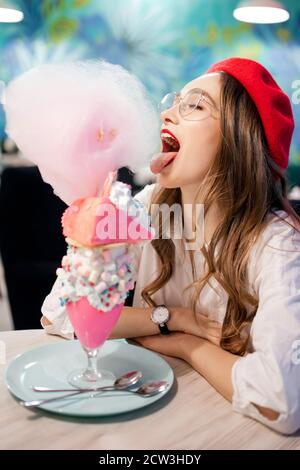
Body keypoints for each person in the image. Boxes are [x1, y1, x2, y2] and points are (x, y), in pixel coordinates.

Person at [41, 57, 300, 434]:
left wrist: (186, 346)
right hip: (144, 419)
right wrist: (175, 319)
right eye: (173, 102)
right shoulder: (146, 207)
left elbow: (281, 402)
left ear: (238, 137)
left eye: (194, 105)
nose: (167, 115)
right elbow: (59, 312)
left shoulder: (278, 242)